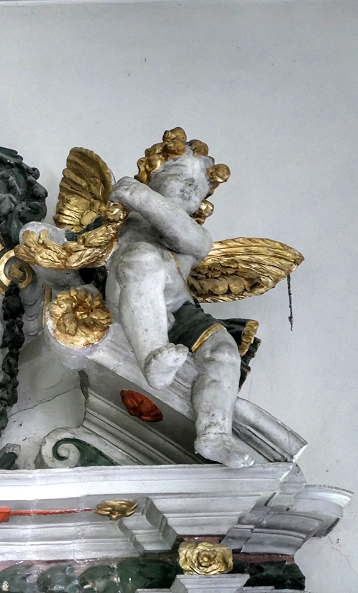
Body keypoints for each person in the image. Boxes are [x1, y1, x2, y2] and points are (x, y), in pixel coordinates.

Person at [105, 128, 253, 468]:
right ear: (151, 175)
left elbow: (184, 236)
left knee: (224, 352)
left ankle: (215, 433)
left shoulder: (194, 234)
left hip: (180, 310)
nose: (189, 188)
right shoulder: (125, 223)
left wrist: (140, 195)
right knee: (143, 258)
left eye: (198, 187)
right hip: (127, 298)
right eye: (179, 177)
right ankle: (152, 357)